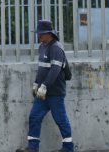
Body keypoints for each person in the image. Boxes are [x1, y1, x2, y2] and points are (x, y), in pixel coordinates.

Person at [16, 20, 74, 152]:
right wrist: (36, 83)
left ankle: (68, 147)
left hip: (55, 93)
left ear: (49, 34)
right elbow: (41, 68)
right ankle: (32, 148)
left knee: (60, 119)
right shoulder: (42, 47)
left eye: (41, 34)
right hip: (42, 93)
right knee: (34, 117)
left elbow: (55, 70)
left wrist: (45, 86)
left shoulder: (56, 48)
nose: (39, 36)